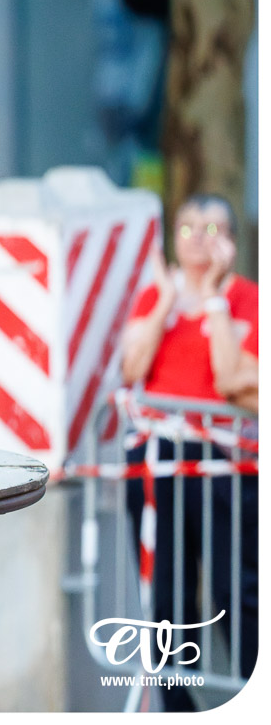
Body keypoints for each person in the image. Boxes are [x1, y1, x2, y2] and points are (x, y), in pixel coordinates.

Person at [119, 194, 258, 705]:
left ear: (232, 243)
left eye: (212, 229)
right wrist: (164, 302)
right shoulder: (155, 297)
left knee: (234, 589)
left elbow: (231, 380)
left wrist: (214, 297)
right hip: (158, 462)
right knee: (167, 594)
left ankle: (251, 695)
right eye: (187, 228)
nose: (198, 239)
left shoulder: (248, 298)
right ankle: (177, 707)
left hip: (225, 463)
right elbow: (132, 369)